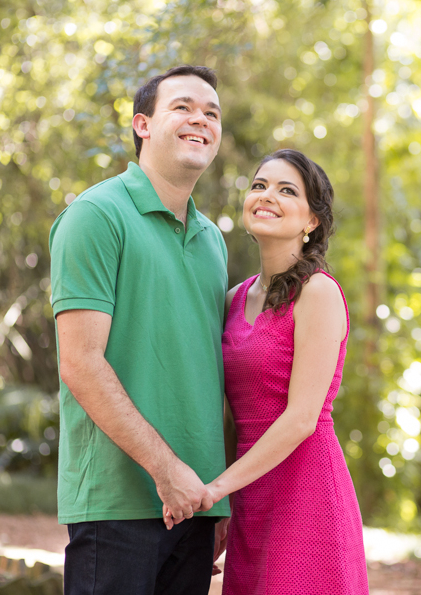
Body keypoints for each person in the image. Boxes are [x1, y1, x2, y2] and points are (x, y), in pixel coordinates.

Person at [49, 65, 230, 595]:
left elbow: (204, 372)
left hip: (194, 505)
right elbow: (81, 362)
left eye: (212, 113)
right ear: (143, 124)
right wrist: (166, 469)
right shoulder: (96, 215)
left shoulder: (212, 240)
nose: (201, 119)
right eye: (183, 107)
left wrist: (215, 496)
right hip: (116, 502)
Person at [164, 149, 369, 593]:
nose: (266, 195)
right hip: (251, 496)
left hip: (307, 489)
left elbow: (300, 419)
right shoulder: (233, 298)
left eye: (286, 190)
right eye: (259, 185)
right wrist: (225, 506)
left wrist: (214, 490)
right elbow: (224, 409)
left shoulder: (319, 293)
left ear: (311, 221)